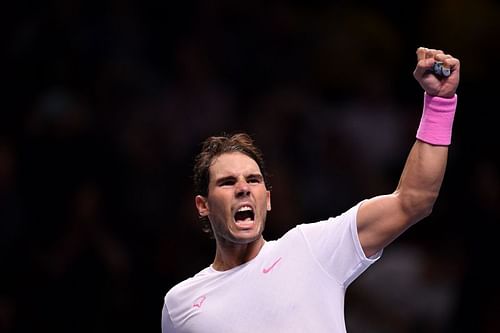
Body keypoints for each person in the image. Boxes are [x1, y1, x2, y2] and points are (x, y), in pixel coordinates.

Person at [161, 46, 460, 332]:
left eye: (253, 180)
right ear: (203, 205)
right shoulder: (181, 305)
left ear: (267, 199)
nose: (243, 189)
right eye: (228, 182)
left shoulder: (310, 248)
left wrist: (440, 103)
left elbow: (414, 200)